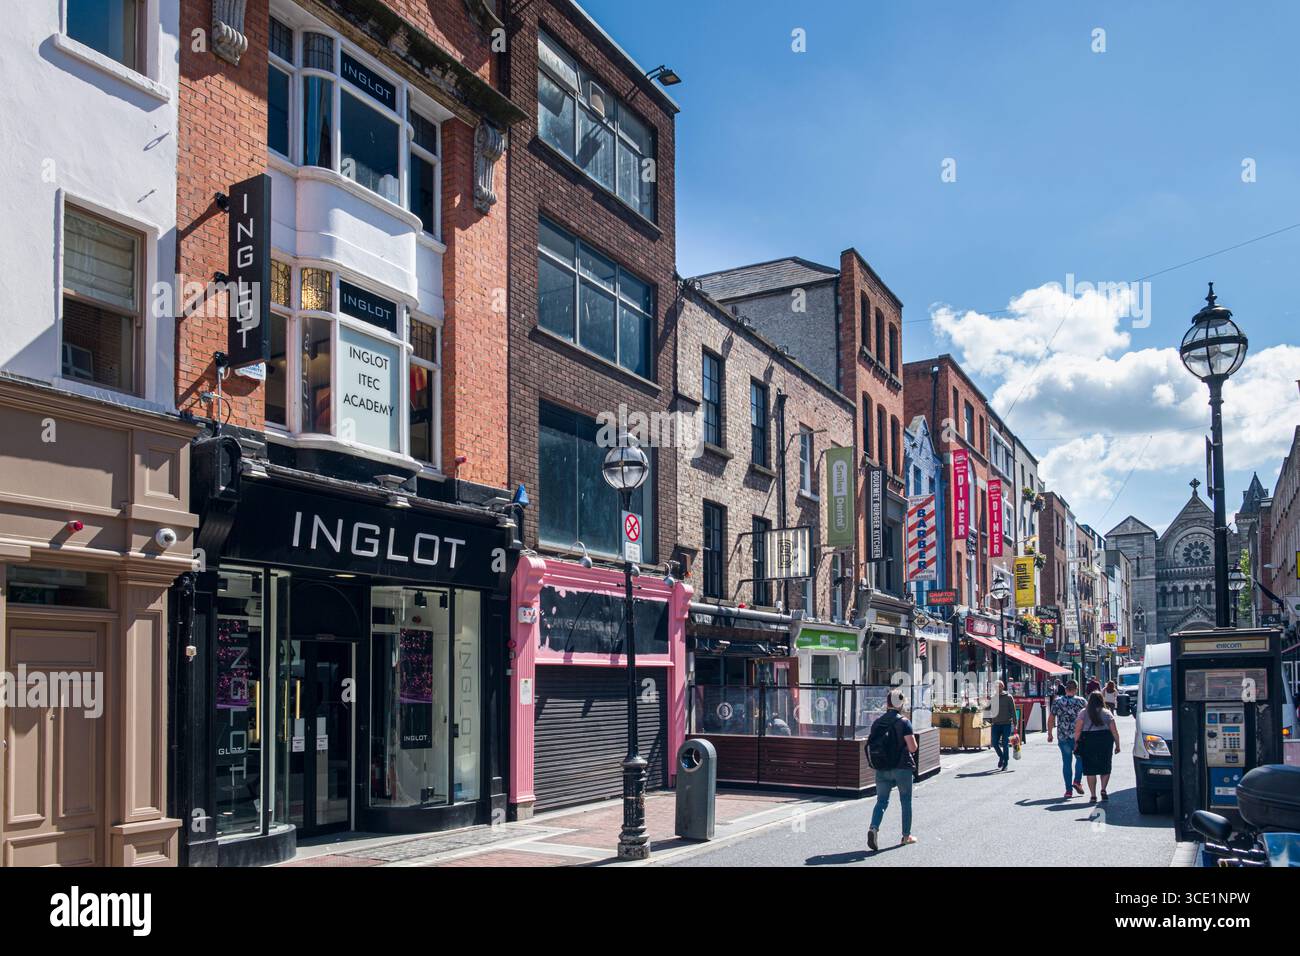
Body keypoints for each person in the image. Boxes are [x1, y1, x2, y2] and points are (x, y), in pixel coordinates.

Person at [867, 688, 919, 851]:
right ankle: (906, 836)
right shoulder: (904, 722)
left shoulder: (877, 722)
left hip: (881, 767)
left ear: (887, 703)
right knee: (906, 800)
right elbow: (912, 748)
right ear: (901, 703)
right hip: (902, 767)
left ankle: (873, 827)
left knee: (881, 801)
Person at [1073, 690, 1122, 801]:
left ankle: (1093, 795)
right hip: (1105, 740)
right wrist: (1117, 745)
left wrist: (1076, 743)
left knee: (1090, 769)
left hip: (1088, 740)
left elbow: (1078, 730)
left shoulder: (1083, 712)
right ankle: (1103, 789)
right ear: (1101, 700)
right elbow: (1114, 731)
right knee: (1105, 765)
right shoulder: (1107, 713)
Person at [1048, 679, 1087, 799]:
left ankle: (1068, 790)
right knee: (1080, 759)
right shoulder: (1082, 701)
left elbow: (1051, 718)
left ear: (1065, 689)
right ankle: (1077, 780)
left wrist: (1050, 733)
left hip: (1063, 735)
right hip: (1078, 736)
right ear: (1076, 689)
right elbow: (1089, 717)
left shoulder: (1058, 701)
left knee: (1066, 762)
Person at [988, 680, 1017, 771]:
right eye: (996, 686)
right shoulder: (993, 698)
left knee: (1005, 743)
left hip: (1006, 724)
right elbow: (988, 708)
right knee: (994, 743)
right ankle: (1001, 756)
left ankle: (1006, 763)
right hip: (996, 724)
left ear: (1003, 687)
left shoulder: (1008, 697)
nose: (998, 688)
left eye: (999, 686)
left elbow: (1013, 710)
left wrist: (1015, 723)